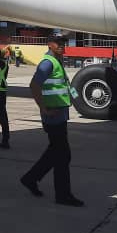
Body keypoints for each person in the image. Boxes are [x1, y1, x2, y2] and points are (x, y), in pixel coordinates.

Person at [20, 36, 83, 207]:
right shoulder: (47, 63)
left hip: (60, 114)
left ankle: (30, 178)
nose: (62, 47)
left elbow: (66, 85)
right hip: (53, 116)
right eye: (58, 44)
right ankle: (63, 195)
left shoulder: (57, 61)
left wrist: (77, 101)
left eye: (64, 44)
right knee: (63, 155)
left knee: (56, 152)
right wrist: (44, 108)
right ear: (50, 44)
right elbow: (34, 85)